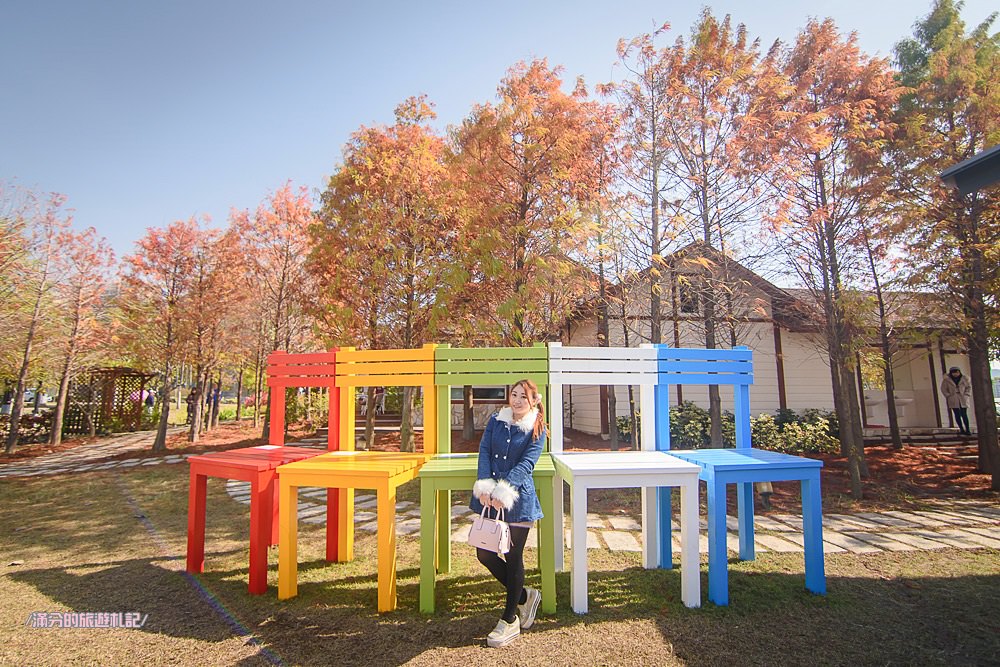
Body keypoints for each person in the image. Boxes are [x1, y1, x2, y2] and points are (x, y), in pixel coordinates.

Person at [470, 379, 545, 648]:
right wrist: (485, 485)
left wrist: (504, 490)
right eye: (514, 394)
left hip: (518, 499)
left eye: (524, 396)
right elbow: (484, 451)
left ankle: (509, 619)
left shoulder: (538, 428)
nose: (517, 400)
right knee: (484, 553)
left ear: (534, 401)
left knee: (513, 558)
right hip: (490, 498)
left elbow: (527, 463)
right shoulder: (495, 420)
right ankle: (525, 596)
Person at [940, 366, 972, 436]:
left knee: (964, 414)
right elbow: (943, 389)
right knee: (957, 414)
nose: (955, 374)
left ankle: (967, 429)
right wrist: (948, 395)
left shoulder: (964, 379)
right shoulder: (947, 380)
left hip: (963, 397)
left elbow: (968, 387)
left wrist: (967, 394)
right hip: (953, 398)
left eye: (957, 372)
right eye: (954, 373)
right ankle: (961, 429)